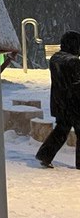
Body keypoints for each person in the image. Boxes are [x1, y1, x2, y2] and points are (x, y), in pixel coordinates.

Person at [35, 30, 80, 168]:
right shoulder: (73, 62)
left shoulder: (55, 59)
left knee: (61, 131)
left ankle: (45, 155)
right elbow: (77, 85)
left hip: (59, 103)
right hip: (75, 105)